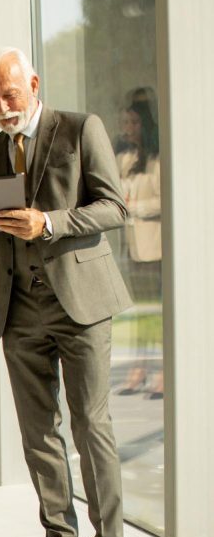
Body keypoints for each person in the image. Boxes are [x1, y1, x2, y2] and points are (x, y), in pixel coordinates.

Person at [0, 47, 132, 537]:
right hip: (20, 308)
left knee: (90, 428)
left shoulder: (81, 129)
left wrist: (49, 222)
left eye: (9, 94)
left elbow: (114, 208)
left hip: (80, 302)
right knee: (37, 433)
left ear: (32, 82)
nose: (1, 106)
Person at [116, 101, 163, 399]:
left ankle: (160, 371)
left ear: (145, 124)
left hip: (155, 248)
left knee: (157, 314)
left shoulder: (159, 160)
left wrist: (135, 208)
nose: (128, 129)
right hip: (133, 248)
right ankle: (140, 368)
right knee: (141, 314)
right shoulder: (126, 158)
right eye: (126, 123)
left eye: (134, 123)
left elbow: (164, 199)